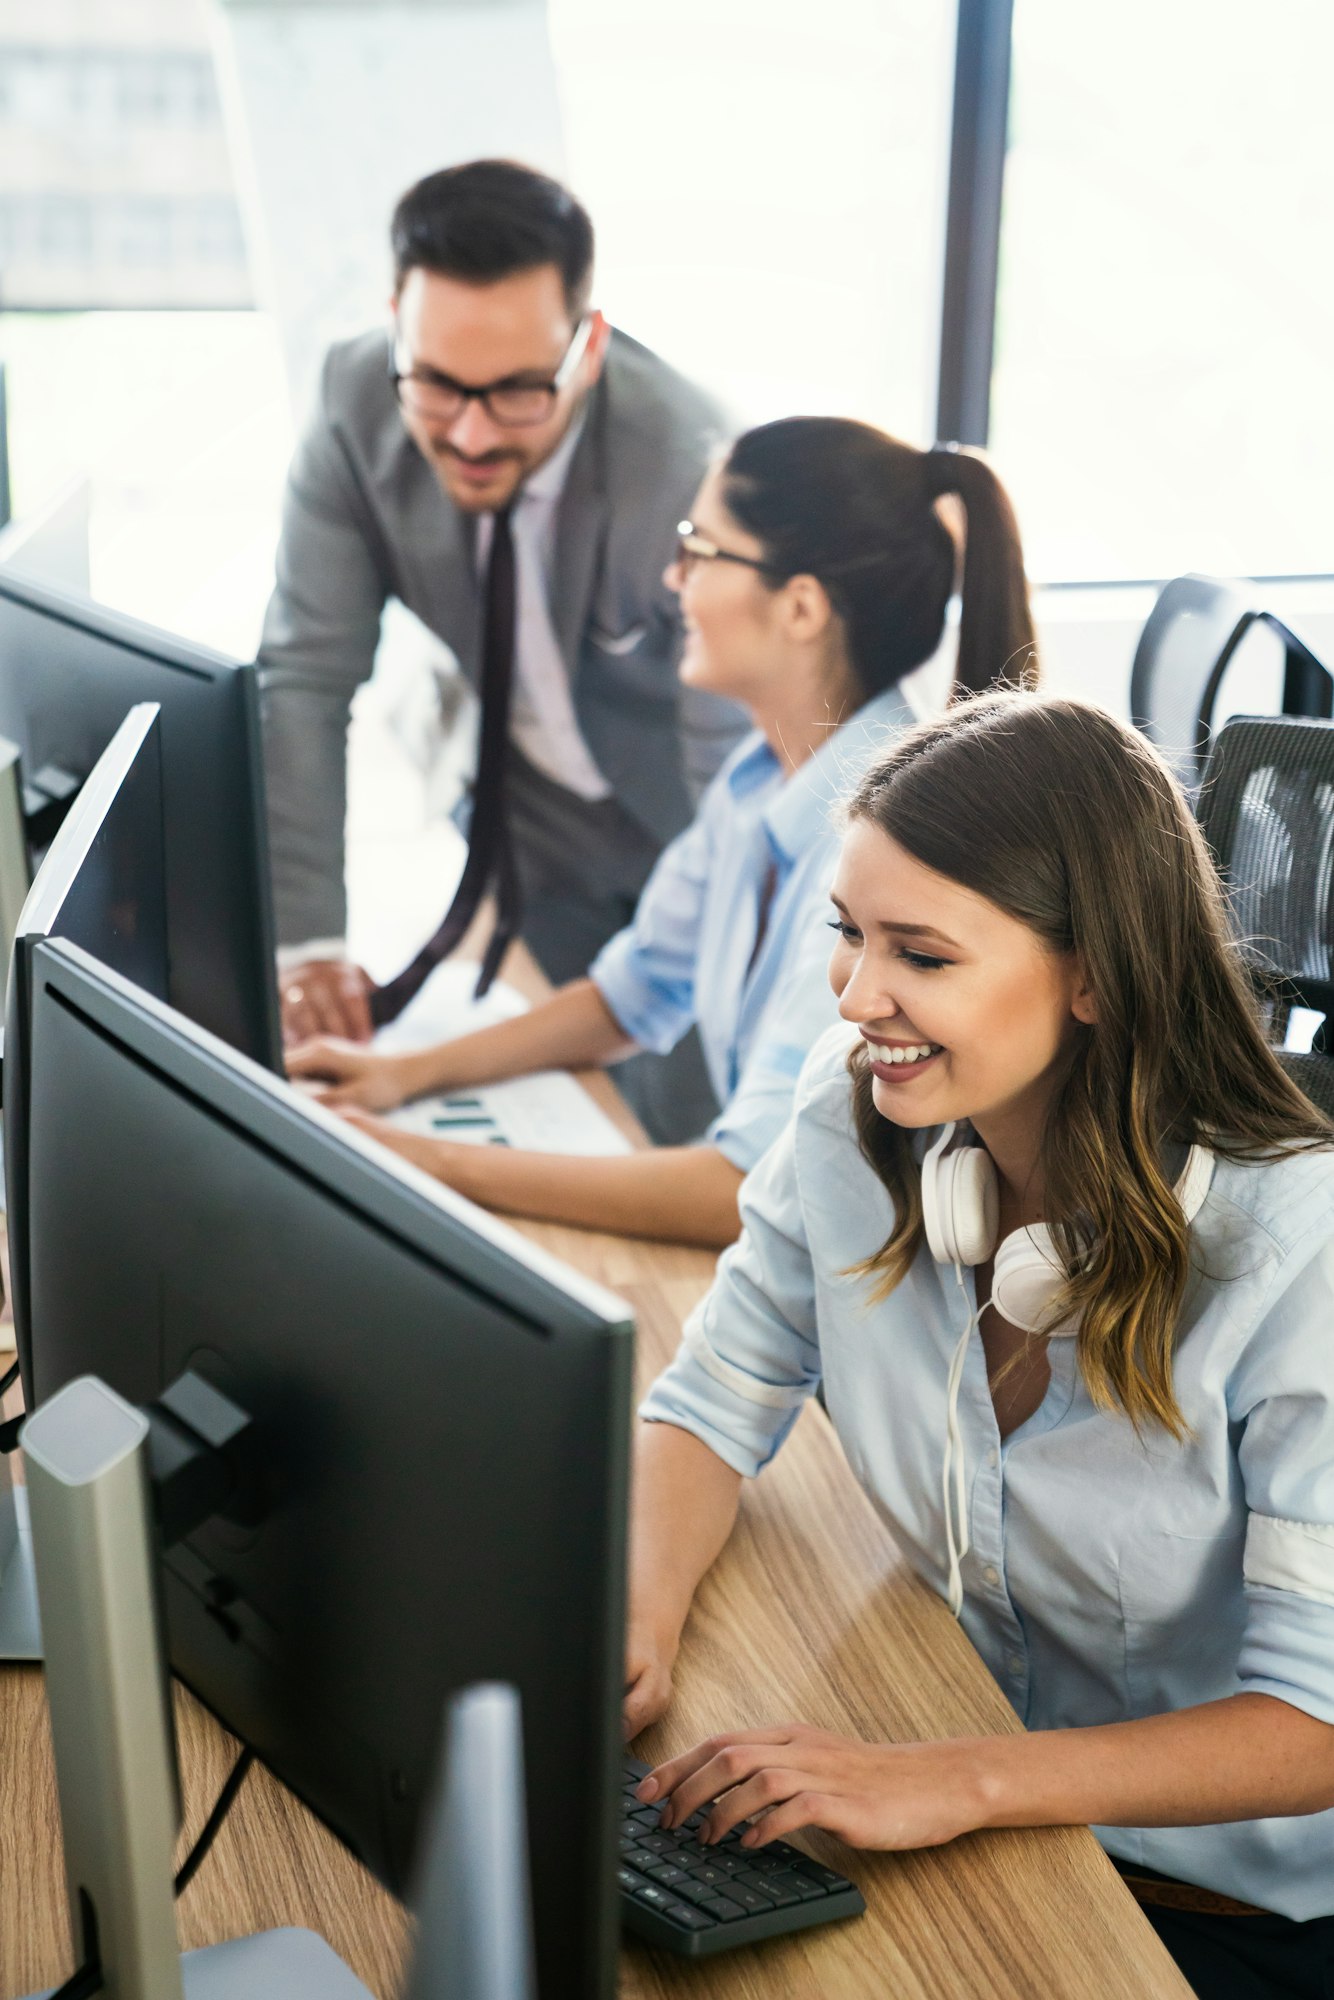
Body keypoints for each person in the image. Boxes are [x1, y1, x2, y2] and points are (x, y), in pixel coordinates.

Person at [624, 694, 1334, 2000]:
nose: (853, 995)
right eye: (846, 936)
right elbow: (713, 1402)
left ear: (1092, 977)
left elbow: (1318, 1719)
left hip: (1223, 1915)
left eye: (919, 956)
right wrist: (636, 1617)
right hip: (961, 1803)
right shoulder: (851, 1126)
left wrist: (956, 1780)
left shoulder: (1298, 1249)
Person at [287, 418, 1037, 1249]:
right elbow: (630, 994)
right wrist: (400, 1076)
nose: (674, 578)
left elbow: (748, 1190)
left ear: (800, 606)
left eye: (701, 550)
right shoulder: (758, 781)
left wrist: (424, 1163)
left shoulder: (882, 850)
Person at [260, 157, 742, 1073]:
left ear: (588, 346)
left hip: (681, 833)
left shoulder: (690, 470)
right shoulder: (352, 406)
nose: (472, 436)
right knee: (551, 1105)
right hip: (523, 822)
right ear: (394, 324)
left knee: (676, 1119)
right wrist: (307, 943)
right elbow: (302, 681)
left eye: (519, 390)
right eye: (436, 383)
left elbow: (737, 778)